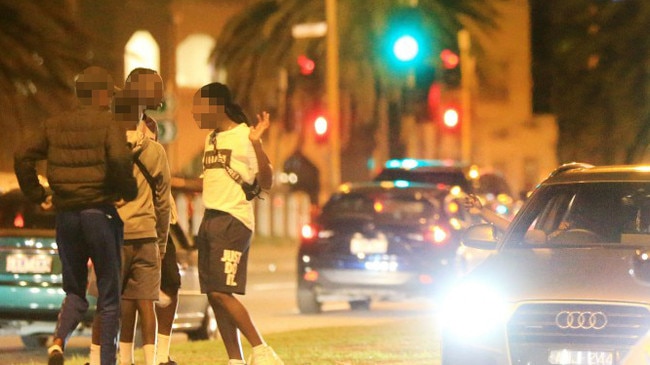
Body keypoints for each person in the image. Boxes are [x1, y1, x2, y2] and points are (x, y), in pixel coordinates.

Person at [14, 66, 138, 365]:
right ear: (98, 94)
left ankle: (58, 342)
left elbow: (22, 155)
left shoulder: (54, 124)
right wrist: (127, 190)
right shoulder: (110, 123)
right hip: (99, 214)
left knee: (74, 290)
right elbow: (121, 160)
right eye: (108, 93)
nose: (110, 99)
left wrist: (37, 194)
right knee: (109, 296)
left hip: (66, 216)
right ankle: (106, 362)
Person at [192, 82, 281, 365]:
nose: (194, 114)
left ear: (216, 106)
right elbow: (208, 183)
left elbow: (266, 183)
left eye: (199, 107)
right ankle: (235, 360)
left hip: (233, 221)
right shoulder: (212, 139)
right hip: (210, 220)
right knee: (213, 295)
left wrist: (256, 143)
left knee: (221, 291)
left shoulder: (245, 136)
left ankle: (263, 351)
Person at [114, 68, 172, 365]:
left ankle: (124, 359)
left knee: (121, 300)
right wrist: (162, 243)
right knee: (146, 301)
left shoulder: (109, 144)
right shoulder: (155, 149)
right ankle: (152, 359)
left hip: (117, 233)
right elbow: (163, 200)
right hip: (147, 233)